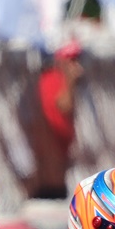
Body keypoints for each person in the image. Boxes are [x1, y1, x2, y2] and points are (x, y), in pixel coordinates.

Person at [33, 40, 82, 199]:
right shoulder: (50, 79)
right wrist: (70, 81)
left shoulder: (61, 78)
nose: (76, 65)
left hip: (62, 155)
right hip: (52, 157)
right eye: (71, 60)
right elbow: (63, 106)